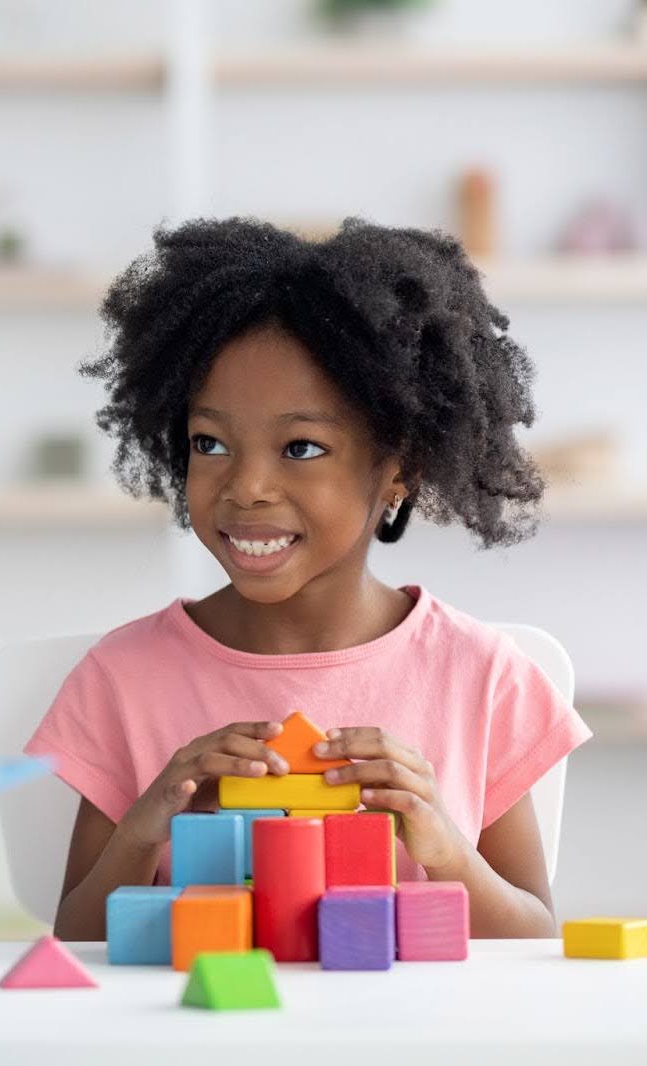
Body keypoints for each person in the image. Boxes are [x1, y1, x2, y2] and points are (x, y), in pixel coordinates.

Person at [29, 218, 591, 941]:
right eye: (211, 443)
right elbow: (77, 936)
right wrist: (145, 827)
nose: (248, 486)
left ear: (401, 471)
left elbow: (535, 940)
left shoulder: (483, 678)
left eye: (301, 447)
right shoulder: (122, 678)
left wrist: (444, 846)